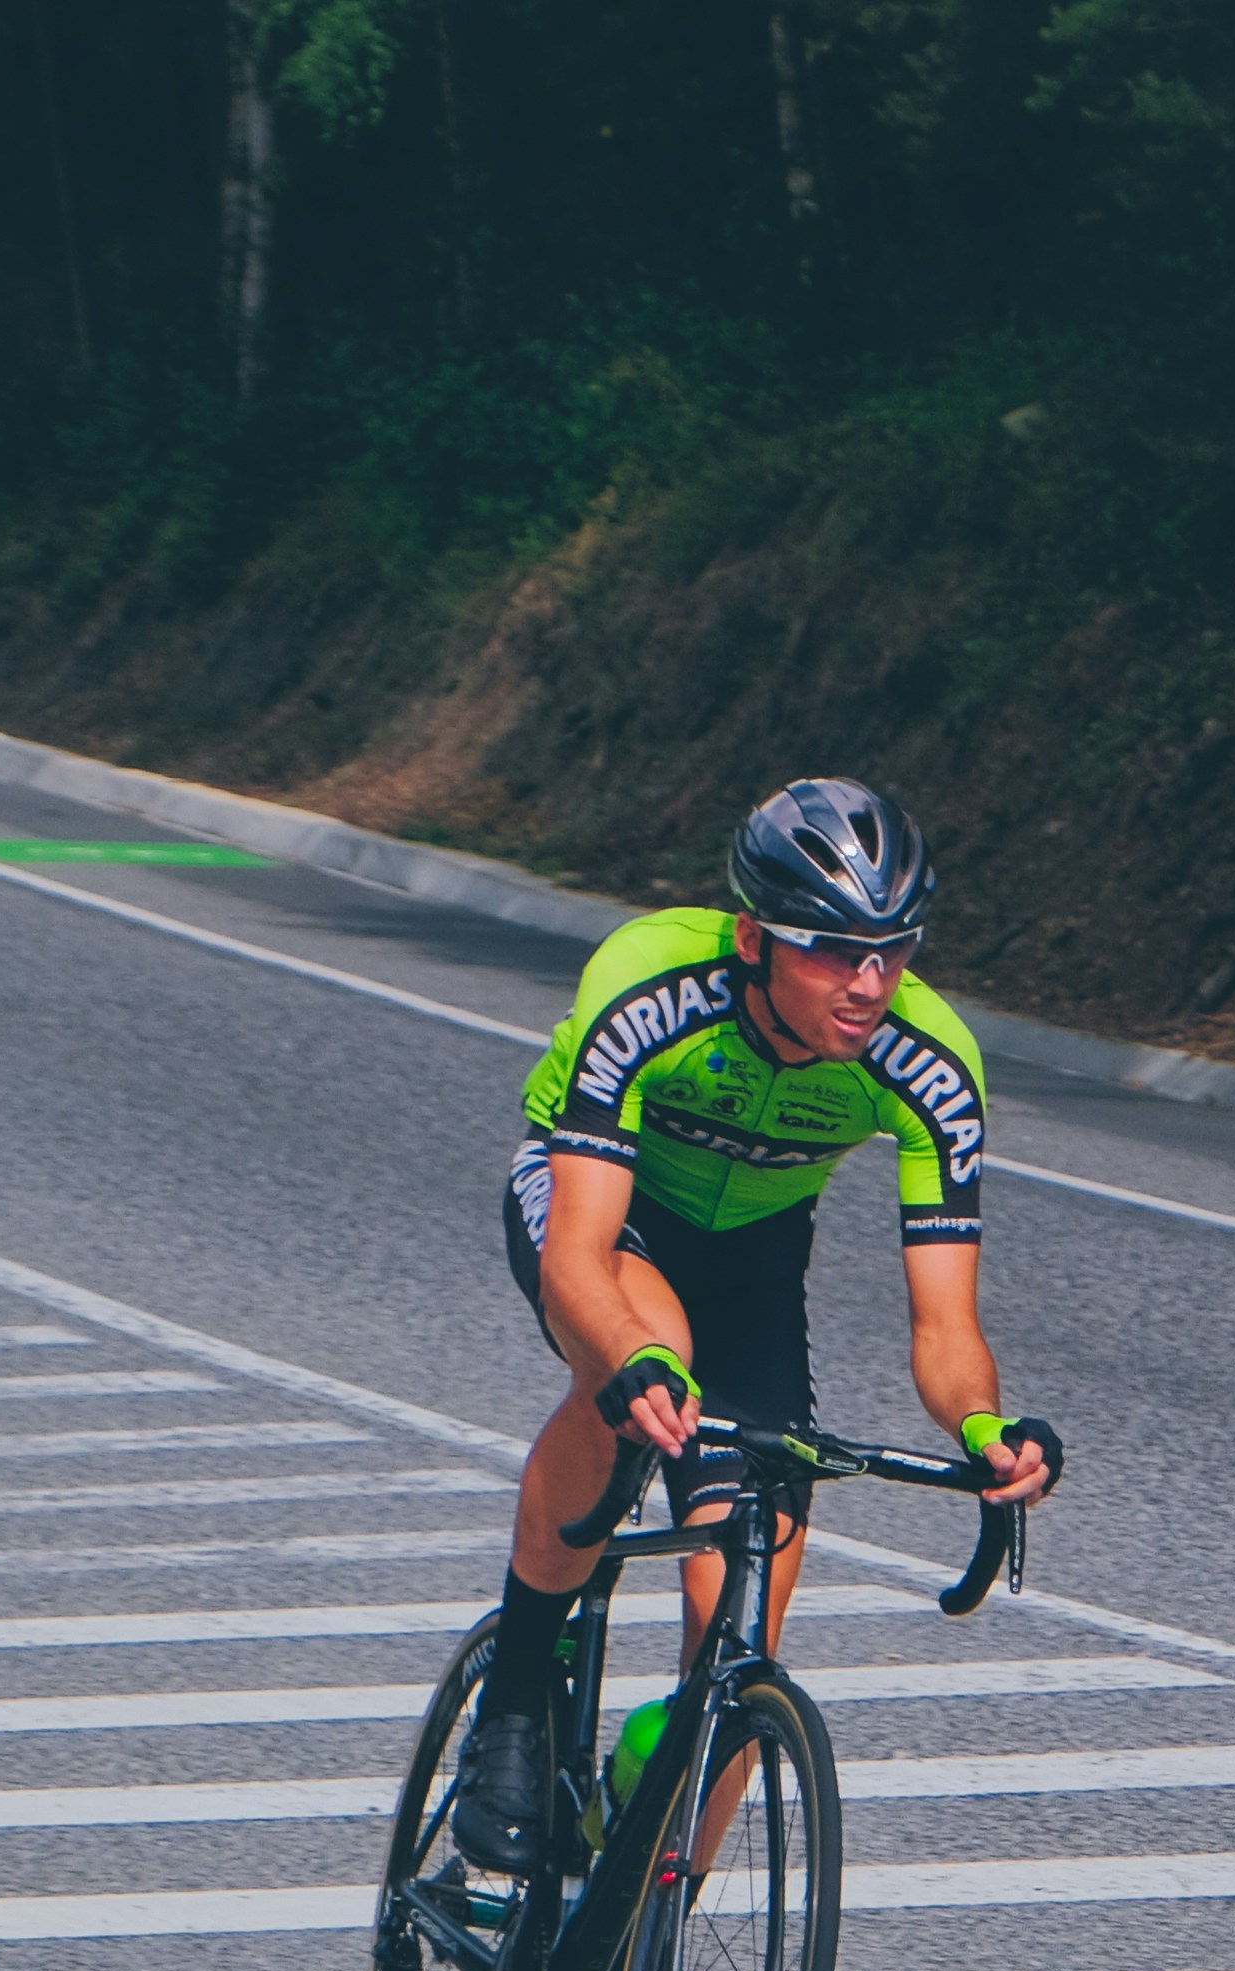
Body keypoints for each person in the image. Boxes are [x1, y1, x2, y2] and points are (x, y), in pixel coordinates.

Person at [449, 770, 1058, 1877]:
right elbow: (581, 1257)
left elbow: (945, 1330)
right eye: (832, 949)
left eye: (894, 949)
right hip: (598, 1209)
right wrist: (625, 1361)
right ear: (752, 939)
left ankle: (631, 1944)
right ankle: (521, 1695)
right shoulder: (650, 983)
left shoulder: (930, 1066)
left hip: (755, 1269)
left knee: (740, 1626)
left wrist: (986, 1432)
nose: (868, 983)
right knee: (645, 1368)